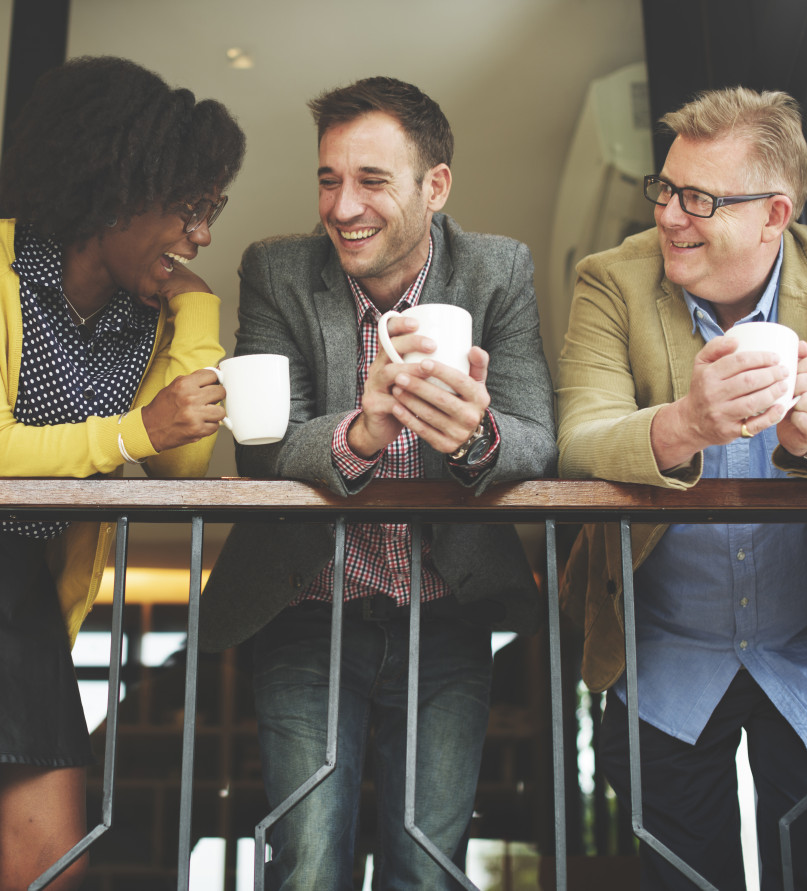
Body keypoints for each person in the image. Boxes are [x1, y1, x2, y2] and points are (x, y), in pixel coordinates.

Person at [0, 56, 245, 891]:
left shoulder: (149, 309)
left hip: (29, 596)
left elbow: (182, 461)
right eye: (190, 208)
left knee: (51, 864)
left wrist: (198, 310)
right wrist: (136, 429)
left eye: (212, 210)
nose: (202, 234)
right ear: (117, 187)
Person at [199, 76, 556, 888]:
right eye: (329, 178)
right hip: (307, 613)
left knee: (427, 871)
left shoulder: (499, 270)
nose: (342, 205)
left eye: (371, 181)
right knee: (307, 864)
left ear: (436, 187)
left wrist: (475, 434)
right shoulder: (278, 271)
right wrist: (361, 431)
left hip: (448, 617)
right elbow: (264, 449)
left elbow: (540, 438)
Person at [556, 85, 807, 890]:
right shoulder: (609, 280)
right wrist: (683, 424)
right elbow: (578, 438)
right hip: (664, 663)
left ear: (775, 213)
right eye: (667, 189)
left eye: (699, 199)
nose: (670, 217)